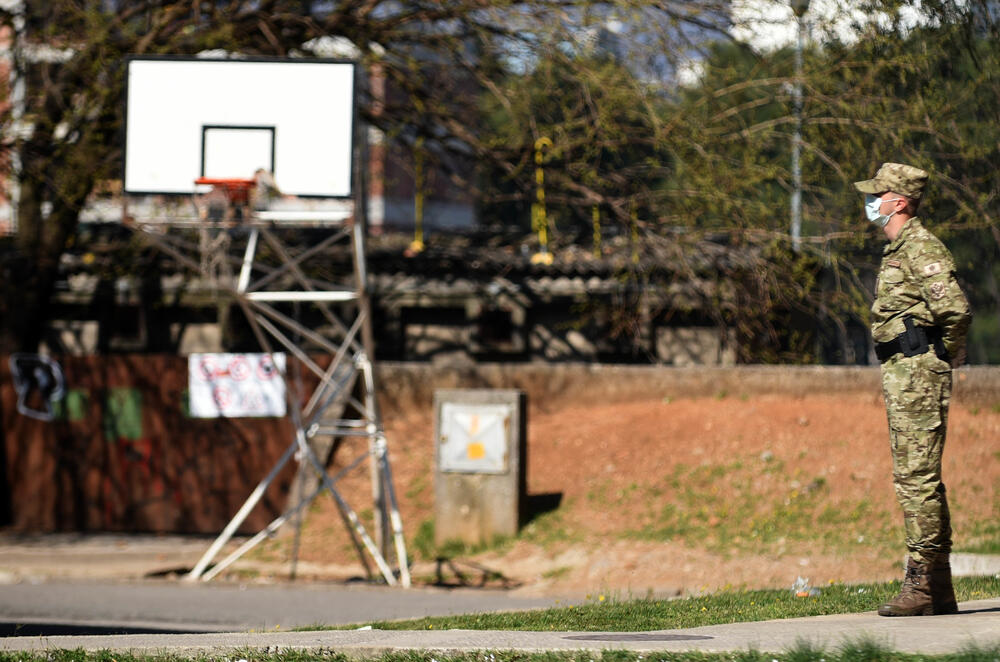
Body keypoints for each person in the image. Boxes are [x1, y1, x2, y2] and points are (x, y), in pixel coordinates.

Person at [854, 162, 972, 617]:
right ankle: (937, 588)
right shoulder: (898, 249)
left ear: (899, 201)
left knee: (916, 479)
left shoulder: (921, 247)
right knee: (917, 478)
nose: (871, 202)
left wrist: (946, 354)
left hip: (919, 371)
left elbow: (956, 309)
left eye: (878, 195)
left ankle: (922, 582)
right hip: (904, 371)